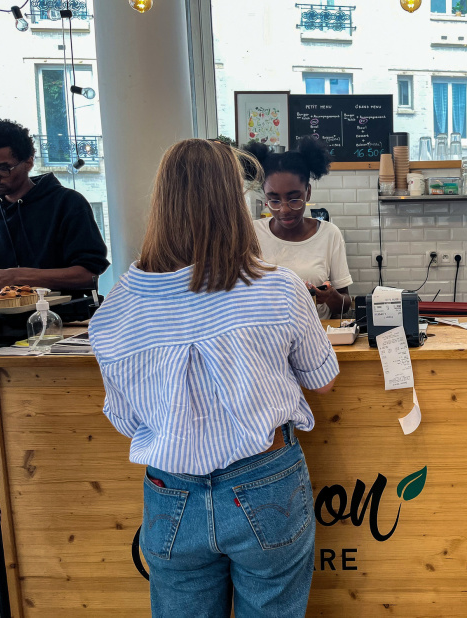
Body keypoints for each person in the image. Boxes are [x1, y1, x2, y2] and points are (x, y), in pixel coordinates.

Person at [88, 139, 338, 618]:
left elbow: (126, 421)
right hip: (265, 480)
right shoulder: (278, 288)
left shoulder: (116, 310)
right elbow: (322, 380)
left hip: (170, 491)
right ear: (234, 204)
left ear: (161, 203)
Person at [0, 119, 109, 292]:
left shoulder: (67, 203)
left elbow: (88, 276)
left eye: (2, 168)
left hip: (64, 310)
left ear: (29, 162)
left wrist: (15, 277)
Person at [245, 138, 352, 319]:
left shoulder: (329, 234)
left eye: (294, 199)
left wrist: (330, 296)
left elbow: (344, 305)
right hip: (266, 334)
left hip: (316, 333)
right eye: (274, 200)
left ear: (308, 192)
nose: (284, 209)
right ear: (265, 195)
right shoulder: (252, 234)